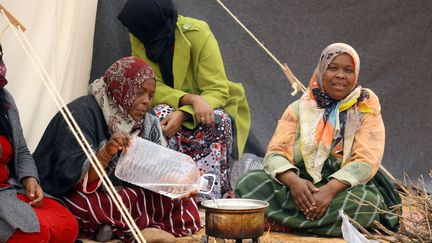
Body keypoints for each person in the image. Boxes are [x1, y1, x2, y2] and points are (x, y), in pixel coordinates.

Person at [235, 43, 400, 236]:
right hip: (300, 182)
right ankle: (324, 223)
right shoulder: (299, 108)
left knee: (365, 205)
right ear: (321, 71)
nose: (340, 75)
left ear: (355, 75)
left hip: (343, 185)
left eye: (348, 70)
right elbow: (275, 153)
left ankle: (284, 221)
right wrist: (293, 182)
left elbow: (367, 160)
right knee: (248, 184)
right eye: (333, 68)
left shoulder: (365, 108)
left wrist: (329, 190)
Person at [33, 57, 201, 242]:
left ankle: (118, 228)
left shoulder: (147, 119)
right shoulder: (82, 112)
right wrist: (107, 152)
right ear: (120, 86)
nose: (146, 101)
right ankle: (133, 227)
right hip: (86, 194)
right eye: (139, 92)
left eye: (150, 95)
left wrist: (178, 181)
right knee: (84, 205)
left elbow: (158, 166)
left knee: (181, 200)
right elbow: (69, 177)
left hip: (128, 194)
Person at [117, 0, 251, 200]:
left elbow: (217, 89)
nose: (135, 34)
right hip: (174, 103)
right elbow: (151, 84)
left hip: (212, 102)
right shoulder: (141, 35)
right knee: (159, 115)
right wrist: (188, 99)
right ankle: (167, 194)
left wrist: (184, 112)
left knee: (217, 120)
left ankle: (208, 198)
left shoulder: (198, 33)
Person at [0, 44, 78, 242]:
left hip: (10, 187)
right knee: (36, 233)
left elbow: (22, 150)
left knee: (67, 225)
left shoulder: (4, 99)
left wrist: (30, 180)